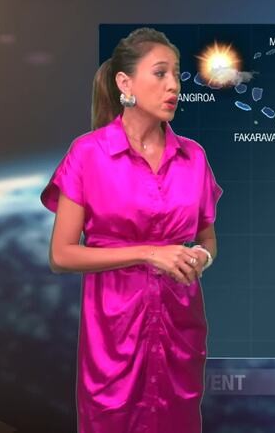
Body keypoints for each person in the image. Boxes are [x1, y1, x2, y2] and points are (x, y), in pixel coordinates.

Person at [40, 27, 223, 433]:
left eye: (176, 74)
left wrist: (201, 257)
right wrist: (149, 252)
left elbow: (208, 239)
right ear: (125, 83)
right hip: (114, 337)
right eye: (160, 73)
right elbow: (61, 254)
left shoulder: (194, 157)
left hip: (180, 333)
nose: (173, 85)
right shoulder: (88, 154)